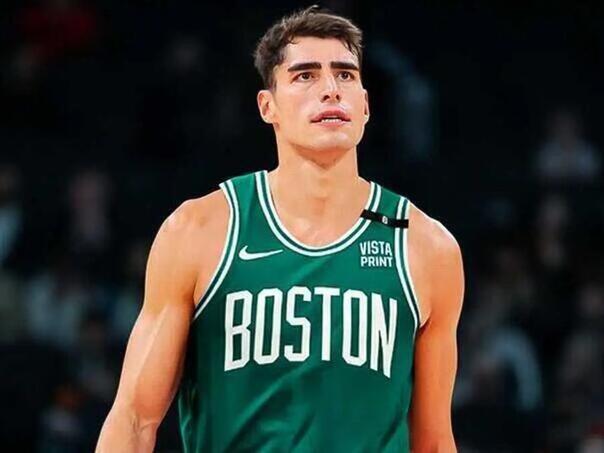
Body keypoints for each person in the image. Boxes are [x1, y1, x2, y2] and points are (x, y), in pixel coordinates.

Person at [96, 5, 464, 452]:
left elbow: (434, 441)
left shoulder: (426, 247)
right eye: (305, 75)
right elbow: (134, 419)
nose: (330, 89)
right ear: (267, 106)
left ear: (365, 106)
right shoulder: (199, 230)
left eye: (345, 75)